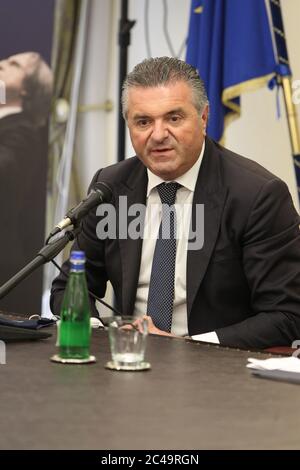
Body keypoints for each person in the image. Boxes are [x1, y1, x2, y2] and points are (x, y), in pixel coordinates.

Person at [50, 57, 300, 349]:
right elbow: (68, 288)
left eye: (174, 118)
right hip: (128, 362)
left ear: (204, 118)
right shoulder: (111, 187)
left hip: (216, 374)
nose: (158, 135)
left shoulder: (257, 195)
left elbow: (287, 314)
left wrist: (187, 347)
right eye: (143, 121)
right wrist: (105, 336)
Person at [0, 52, 53, 313]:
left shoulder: (24, 134)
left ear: (26, 89)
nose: (1, 64)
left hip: (6, 275)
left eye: (14, 64)